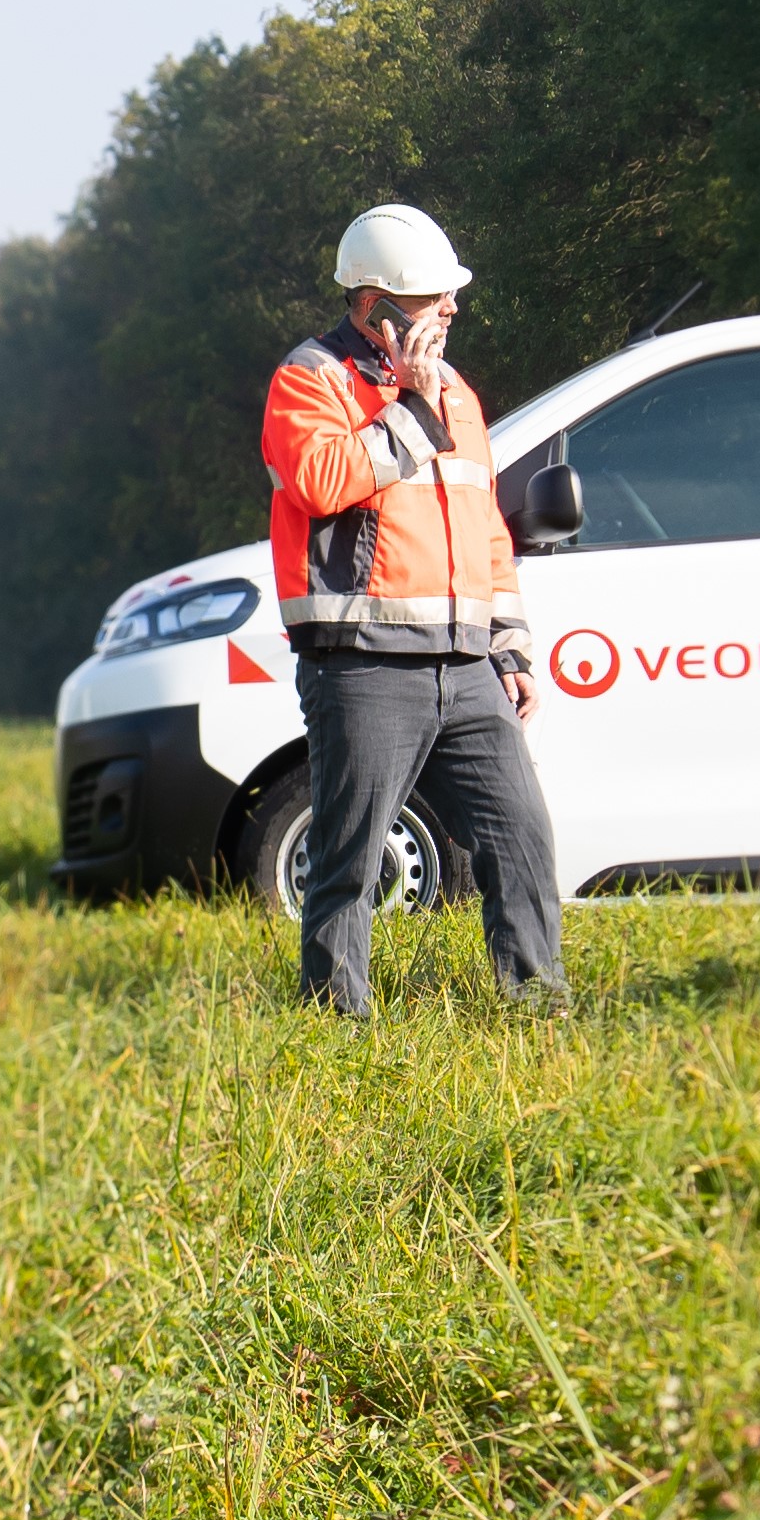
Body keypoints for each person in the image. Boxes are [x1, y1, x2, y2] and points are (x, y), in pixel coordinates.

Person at [259, 202, 565, 1016]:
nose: (453, 310)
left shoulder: (459, 393)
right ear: (377, 304)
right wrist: (414, 413)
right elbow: (322, 481)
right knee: (348, 859)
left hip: (465, 668)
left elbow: (482, 527)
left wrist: (510, 647)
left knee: (521, 836)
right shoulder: (310, 378)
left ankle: (536, 1009)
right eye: (434, 297)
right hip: (361, 664)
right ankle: (335, 1023)